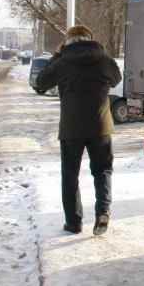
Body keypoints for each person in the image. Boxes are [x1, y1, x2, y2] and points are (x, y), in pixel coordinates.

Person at [36, 25, 122, 236]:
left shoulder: (63, 62)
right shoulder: (104, 59)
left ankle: (74, 222)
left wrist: (56, 56)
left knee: (70, 175)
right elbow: (116, 79)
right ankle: (103, 210)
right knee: (102, 171)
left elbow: (41, 83)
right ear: (90, 39)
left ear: (67, 42)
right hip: (100, 125)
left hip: (71, 128)